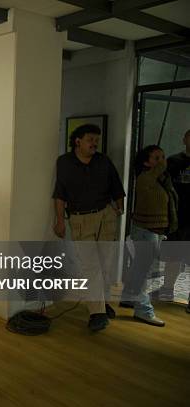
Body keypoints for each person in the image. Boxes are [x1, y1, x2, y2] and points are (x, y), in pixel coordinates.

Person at [52, 124, 126, 331]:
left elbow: (117, 186)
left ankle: (102, 304)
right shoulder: (64, 163)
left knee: (105, 263)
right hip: (80, 219)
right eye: (90, 139)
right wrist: (59, 220)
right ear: (78, 141)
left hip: (106, 216)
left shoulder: (103, 161)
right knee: (90, 265)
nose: (94, 143)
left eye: (96, 140)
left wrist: (119, 208)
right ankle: (97, 313)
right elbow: (60, 194)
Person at [119, 145, 177, 326]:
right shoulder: (145, 178)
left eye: (163, 156)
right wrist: (161, 164)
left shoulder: (161, 179)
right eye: (156, 158)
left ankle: (129, 298)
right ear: (146, 162)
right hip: (145, 231)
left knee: (139, 268)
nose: (162, 161)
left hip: (156, 231)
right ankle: (143, 311)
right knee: (144, 272)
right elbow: (159, 169)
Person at [159, 129, 190, 312]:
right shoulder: (173, 162)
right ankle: (167, 289)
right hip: (177, 217)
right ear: (184, 139)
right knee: (173, 257)